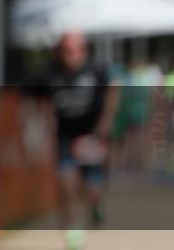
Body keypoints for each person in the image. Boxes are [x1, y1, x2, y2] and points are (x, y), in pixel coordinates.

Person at [42, 31, 120, 250]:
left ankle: (96, 206)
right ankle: (73, 232)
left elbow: (114, 88)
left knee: (92, 188)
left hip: (91, 135)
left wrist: (106, 121)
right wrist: (47, 117)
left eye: (76, 50)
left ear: (84, 51)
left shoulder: (96, 70)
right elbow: (40, 97)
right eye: (67, 51)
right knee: (66, 184)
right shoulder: (52, 73)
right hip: (66, 136)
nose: (72, 56)